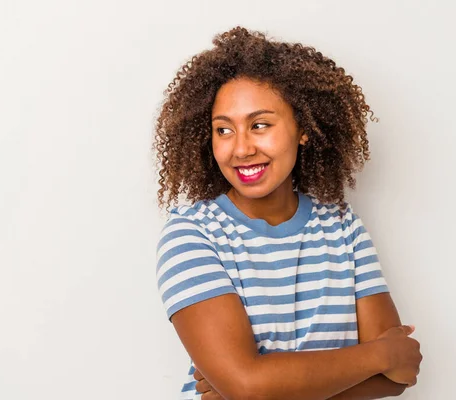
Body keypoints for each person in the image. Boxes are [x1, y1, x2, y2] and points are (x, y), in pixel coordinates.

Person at [153, 26, 422, 400]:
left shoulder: (342, 227)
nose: (241, 148)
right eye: (223, 130)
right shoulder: (191, 234)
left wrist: (259, 387)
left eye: (260, 125)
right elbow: (248, 385)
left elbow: (398, 377)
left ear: (303, 130)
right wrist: (378, 354)